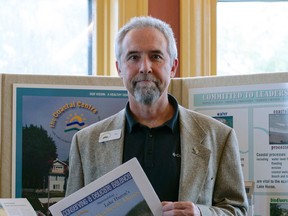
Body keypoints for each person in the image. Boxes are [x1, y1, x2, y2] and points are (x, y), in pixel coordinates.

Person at [65, 16, 248, 215]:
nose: (145, 67)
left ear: (173, 66)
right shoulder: (85, 143)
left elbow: (238, 210)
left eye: (156, 56)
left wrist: (201, 213)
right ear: (119, 68)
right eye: (133, 57)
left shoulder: (220, 137)